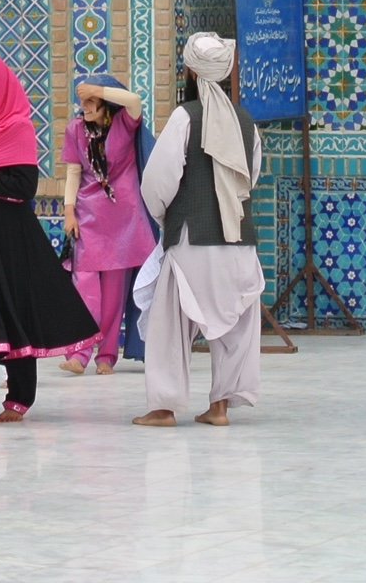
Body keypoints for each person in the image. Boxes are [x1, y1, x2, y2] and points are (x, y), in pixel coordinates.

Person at [0, 56, 97, 426]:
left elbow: (24, 187)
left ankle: (19, 400)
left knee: (14, 312)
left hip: (8, 241)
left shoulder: (17, 127)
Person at [134, 33, 265, 429]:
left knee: (170, 323)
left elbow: (157, 181)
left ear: (190, 70)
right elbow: (251, 176)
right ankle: (220, 406)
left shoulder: (184, 117)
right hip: (238, 241)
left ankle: (163, 408)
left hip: (192, 239)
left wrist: (166, 218)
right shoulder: (246, 122)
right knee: (235, 324)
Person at [59, 75, 155, 376]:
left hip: (123, 221)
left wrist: (99, 90)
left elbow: (136, 101)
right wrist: (69, 211)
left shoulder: (124, 125)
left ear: (106, 105)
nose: (84, 107)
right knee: (84, 289)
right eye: (82, 101)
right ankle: (79, 353)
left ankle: (107, 355)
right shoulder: (75, 130)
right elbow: (74, 172)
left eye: (91, 102)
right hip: (87, 218)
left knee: (114, 296)